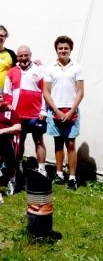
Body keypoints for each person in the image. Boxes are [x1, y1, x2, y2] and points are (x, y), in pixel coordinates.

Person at [43, 36, 84, 190]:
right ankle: (59, 174)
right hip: (55, 111)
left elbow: (80, 92)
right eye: (60, 48)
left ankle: (72, 178)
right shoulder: (50, 68)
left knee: (71, 144)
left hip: (71, 110)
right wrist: (56, 111)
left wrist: (72, 111)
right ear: (56, 50)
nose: (63, 51)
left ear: (70, 49)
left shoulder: (77, 68)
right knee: (58, 143)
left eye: (66, 48)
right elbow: (46, 92)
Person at [4, 45, 47, 176]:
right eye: (21, 56)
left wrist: (43, 110)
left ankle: (42, 170)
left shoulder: (39, 69)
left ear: (30, 55)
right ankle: (19, 166)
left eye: (26, 55)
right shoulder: (11, 72)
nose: (23, 58)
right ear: (17, 57)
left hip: (35, 114)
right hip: (18, 114)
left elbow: (45, 91)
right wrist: (8, 104)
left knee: (39, 141)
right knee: (19, 141)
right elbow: (7, 91)